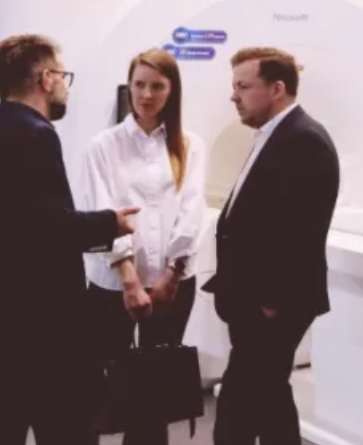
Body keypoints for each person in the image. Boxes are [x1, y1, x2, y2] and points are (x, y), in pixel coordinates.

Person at [0, 34, 139, 445]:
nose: (65, 86)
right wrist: (109, 224)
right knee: (69, 430)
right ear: (46, 78)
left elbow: (12, 229)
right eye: (63, 76)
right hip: (44, 329)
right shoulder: (35, 135)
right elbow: (48, 230)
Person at [206, 48, 341, 445]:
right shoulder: (274, 135)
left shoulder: (304, 140)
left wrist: (271, 300)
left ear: (277, 88)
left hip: (272, 304)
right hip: (255, 298)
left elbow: (302, 229)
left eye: (243, 86)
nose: (234, 96)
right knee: (267, 396)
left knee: (241, 402)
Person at [84, 50, 207, 445]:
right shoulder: (103, 146)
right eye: (139, 84)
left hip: (172, 283)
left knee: (155, 388)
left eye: (157, 86)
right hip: (113, 284)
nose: (146, 94)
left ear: (172, 91)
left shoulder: (190, 145)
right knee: (99, 381)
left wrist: (172, 273)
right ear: (129, 86)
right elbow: (102, 212)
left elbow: (192, 211)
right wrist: (129, 280)